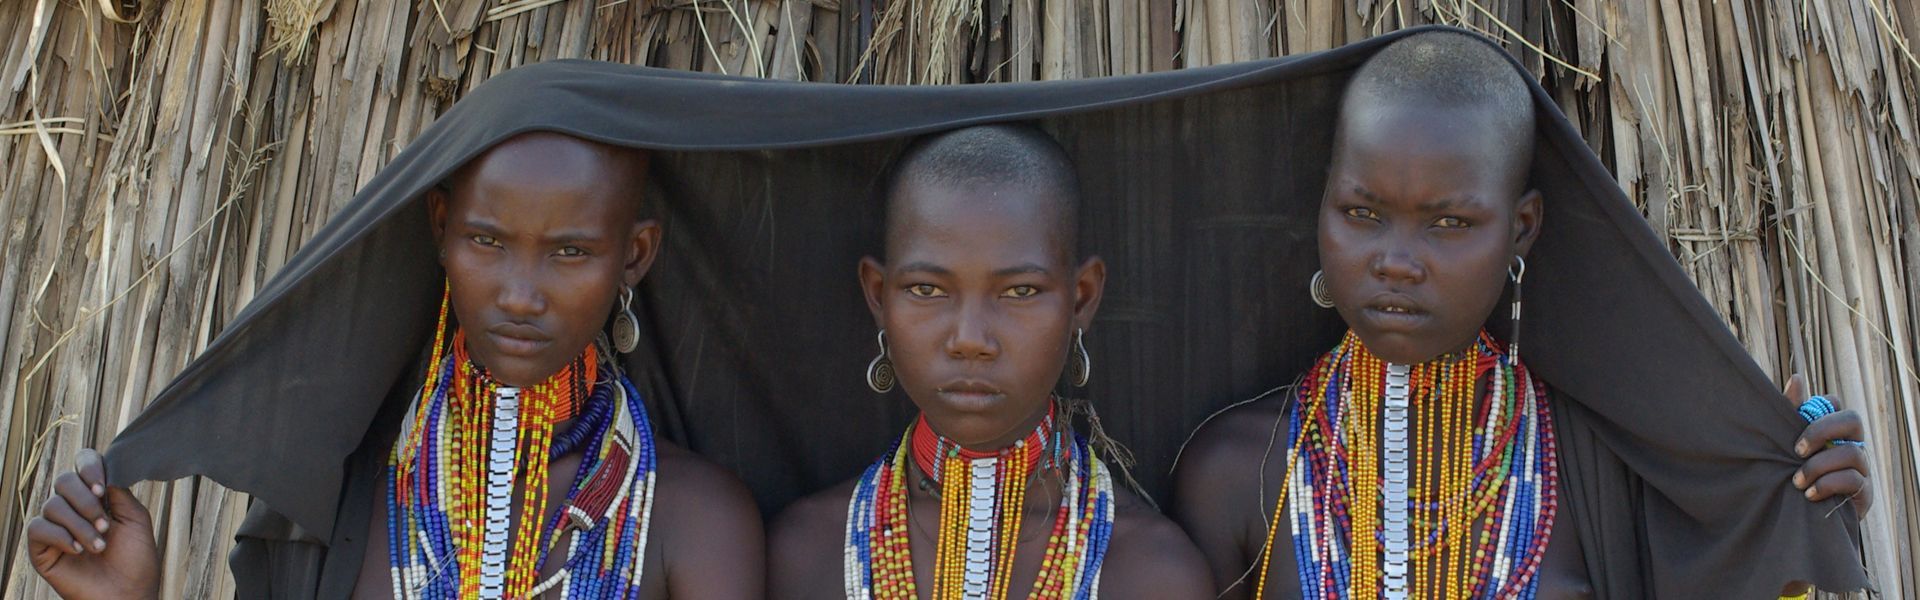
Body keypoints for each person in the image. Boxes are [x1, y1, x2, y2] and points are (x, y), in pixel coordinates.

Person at [1169, 31, 1871, 599]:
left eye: (1448, 221)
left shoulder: (1599, 466)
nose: (1396, 261)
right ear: (1321, 206)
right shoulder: (1237, 471)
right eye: (1362, 213)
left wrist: (1793, 512)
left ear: (1522, 228)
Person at [26, 132, 764, 599]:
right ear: (441, 229)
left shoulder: (696, 522)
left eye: (570, 252)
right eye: (486, 241)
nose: (519, 294)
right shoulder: (337, 495)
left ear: (634, 255)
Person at [768, 124, 1211, 599]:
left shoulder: (1152, 573)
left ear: (1081, 299)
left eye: (1020, 291)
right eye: (927, 290)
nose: (970, 340)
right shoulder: (809, 553)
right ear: (878, 295)